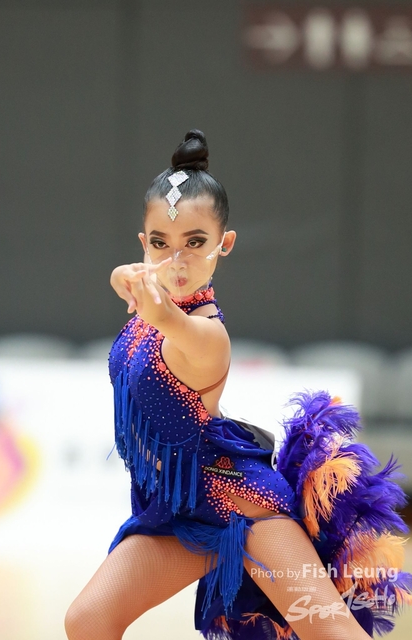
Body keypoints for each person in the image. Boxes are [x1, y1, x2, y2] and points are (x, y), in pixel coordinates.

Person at [65, 130, 412, 640]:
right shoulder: (151, 295)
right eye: (161, 242)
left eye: (195, 243)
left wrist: (144, 291)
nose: (176, 261)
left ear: (223, 244)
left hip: (245, 512)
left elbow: (169, 321)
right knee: (87, 620)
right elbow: (133, 280)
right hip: (180, 512)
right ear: (144, 243)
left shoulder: (205, 333)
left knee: (334, 633)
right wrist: (126, 276)